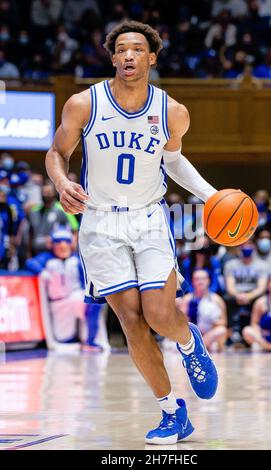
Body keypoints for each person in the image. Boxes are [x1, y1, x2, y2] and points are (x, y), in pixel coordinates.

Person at [45, 20, 219, 445]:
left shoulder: (172, 111)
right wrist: (62, 182)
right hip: (100, 221)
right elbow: (56, 152)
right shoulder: (83, 104)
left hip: (148, 218)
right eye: (121, 49)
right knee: (130, 320)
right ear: (112, 58)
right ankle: (172, 412)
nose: (128, 55)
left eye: (137, 49)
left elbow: (174, 160)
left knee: (160, 314)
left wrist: (212, 195)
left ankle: (188, 340)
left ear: (151, 57)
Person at [26, 226, 104, 350]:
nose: (62, 246)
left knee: (94, 302)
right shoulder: (47, 259)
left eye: (66, 242)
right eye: (58, 242)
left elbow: (86, 279)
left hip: (75, 296)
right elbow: (30, 263)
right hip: (58, 303)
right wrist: (41, 271)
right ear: (52, 244)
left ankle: (90, 341)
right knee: (63, 338)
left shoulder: (76, 260)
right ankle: (77, 338)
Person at [224, 239, 270, 343]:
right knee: (226, 299)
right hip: (236, 294)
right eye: (243, 244)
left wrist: (249, 296)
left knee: (262, 300)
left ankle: (255, 331)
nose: (246, 247)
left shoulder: (262, 265)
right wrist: (238, 295)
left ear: (254, 246)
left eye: (249, 244)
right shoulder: (230, 264)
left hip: (254, 294)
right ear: (238, 247)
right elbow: (230, 286)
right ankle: (230, 332)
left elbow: (261, 288)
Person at [180, 269, 227, 352]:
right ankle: (200, 346)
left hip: (210, 333)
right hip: (193, 334)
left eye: (203, 279)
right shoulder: (187, 300)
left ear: (208, 280)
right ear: (193, 282)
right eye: (197, 279)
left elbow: (224, 322)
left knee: (221, 330)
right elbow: (181, 322)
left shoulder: (217, 300)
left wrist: (210, 321)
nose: (200, 282)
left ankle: (199, 347)